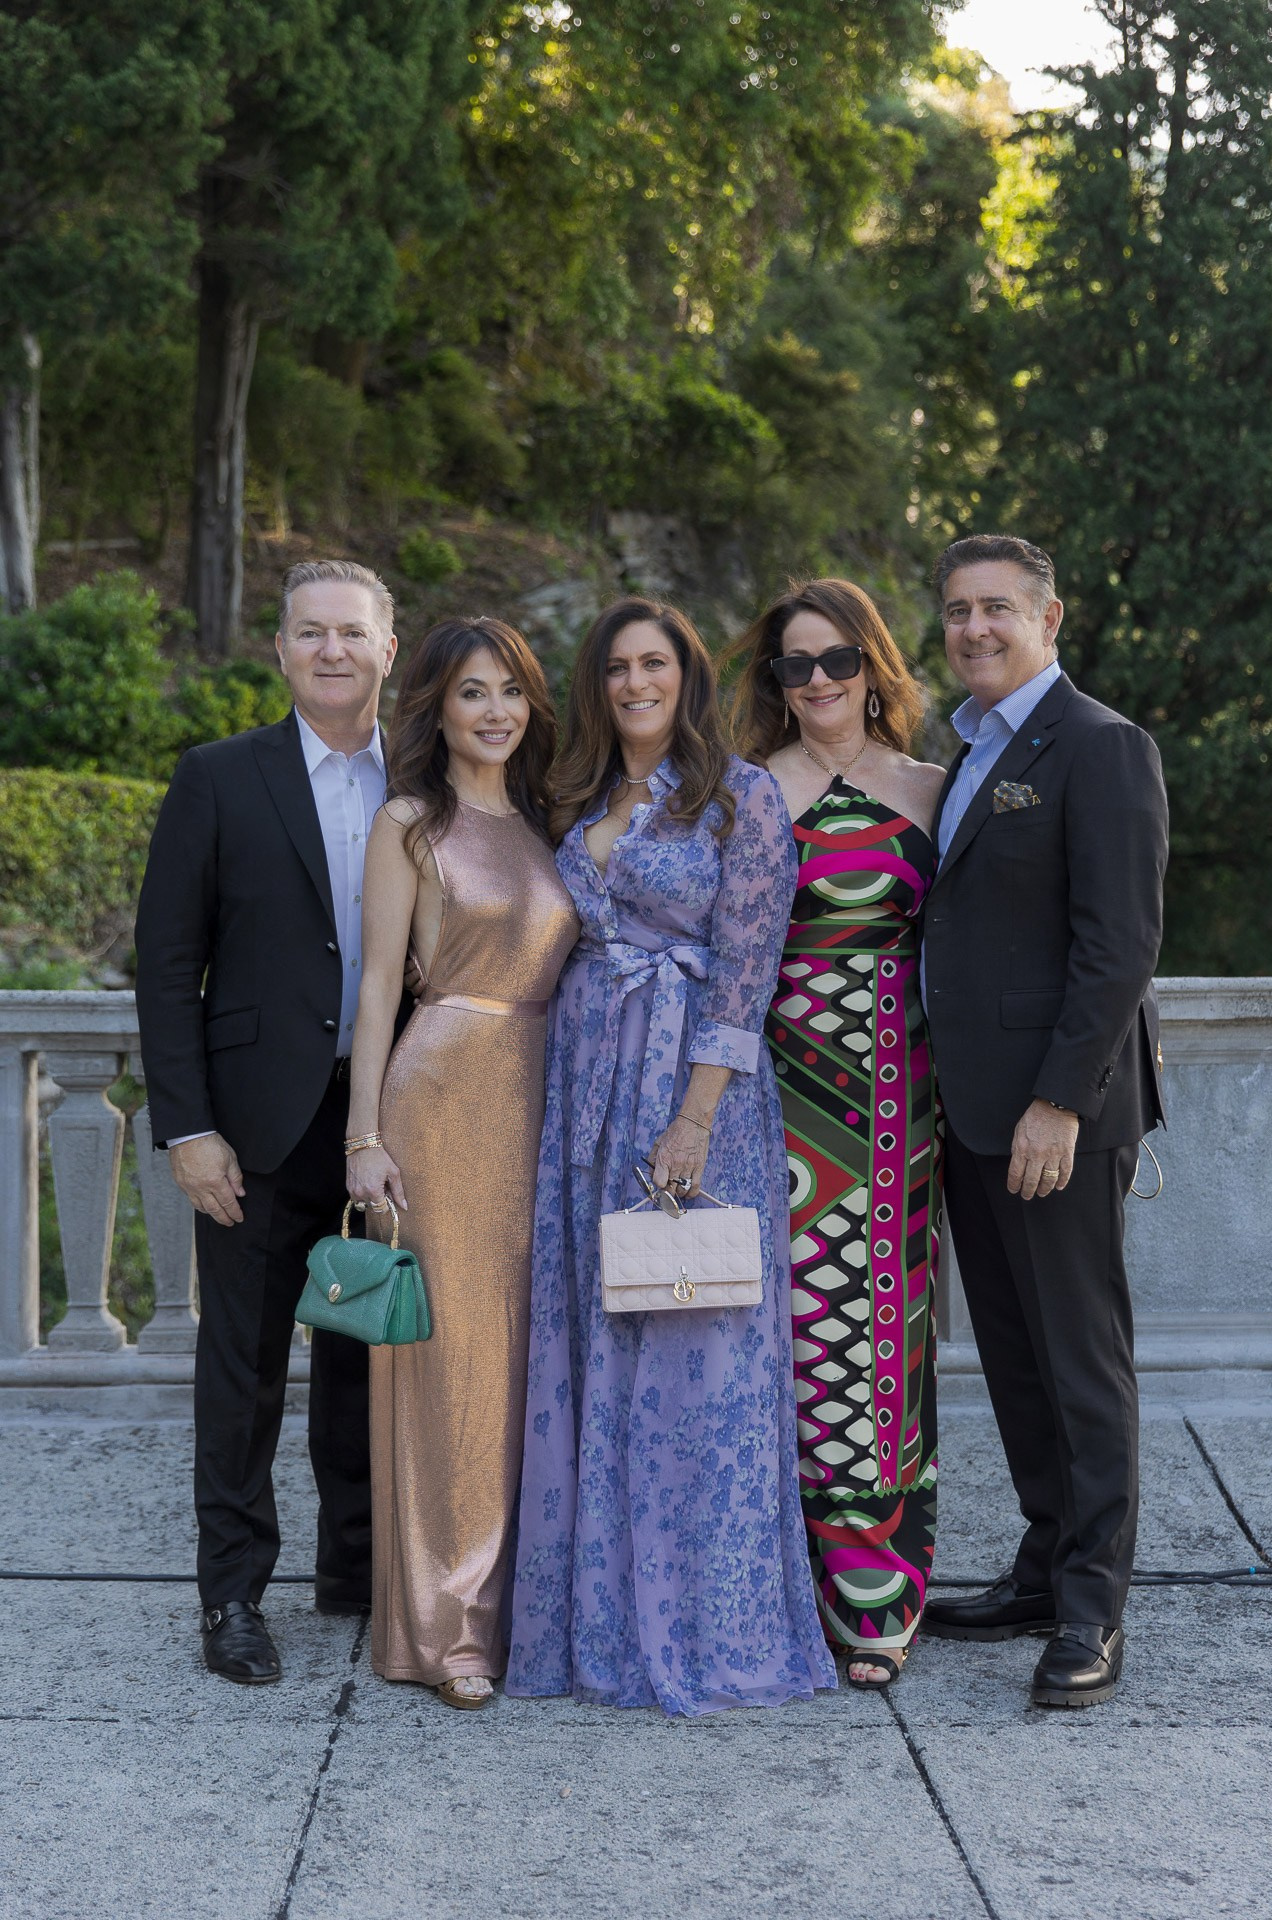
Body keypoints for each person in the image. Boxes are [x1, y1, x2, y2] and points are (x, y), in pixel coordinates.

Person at [506, 596, 837, 1716]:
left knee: (697, 1355)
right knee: (592, 1342)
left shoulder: (741, 797)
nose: (633, 683)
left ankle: (709, 1624)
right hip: (584, 1088)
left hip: (695, 1095)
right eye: (613, 668)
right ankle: (591, 1625)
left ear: (687, 678)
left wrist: (691, 1120)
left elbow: (745, 976)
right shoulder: (570, 792)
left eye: (654, 664)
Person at [135, 559, 402, 1684]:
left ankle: (358, 1570)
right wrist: (187, 1127)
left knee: (369, 1353)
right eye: (309, 633)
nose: (331, 649)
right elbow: (165, 963)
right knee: (240, 1367)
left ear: (390, 647)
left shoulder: (434, 780)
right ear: (280, 651)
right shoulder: (218, 777)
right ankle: (234, 1597)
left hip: (392, 1116)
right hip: (252, 1125)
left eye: (351, 632)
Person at [920, 534, 1167, 1710]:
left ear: (1048, 616)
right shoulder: (961, 749)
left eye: (996, 610)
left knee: (1078, 1360)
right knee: (1012, 1357)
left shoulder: (1100, 746)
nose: (973, 629)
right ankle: (1037, 1560)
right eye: (957, 611)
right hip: (965, 1107)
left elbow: (1115, 948)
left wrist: (1058, 1102)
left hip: (1051, 1113)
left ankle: (1089, 1608)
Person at [343, 618, 578, 1710]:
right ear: (434, 707)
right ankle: (447, 1629)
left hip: (542, 1097)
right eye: (472, 693)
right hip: (440, 1097)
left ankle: (523, 1606)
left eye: (512, 693)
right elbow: (379, 985)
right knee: (451, 1369)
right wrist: (365, 1139)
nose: (494, 711)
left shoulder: (544, 821)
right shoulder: (409, 821)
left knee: (530, 1360)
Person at [732, 578, 945, 1689]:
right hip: (775, 1099)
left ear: (872, 665)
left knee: (884, 1347)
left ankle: (876, 1600)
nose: (816, 683)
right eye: (792, 668)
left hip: (898, 1108)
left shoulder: (929, 789)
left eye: (834, 661)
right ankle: (784, 1588)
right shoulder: (748, 793)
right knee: (789, 1343)